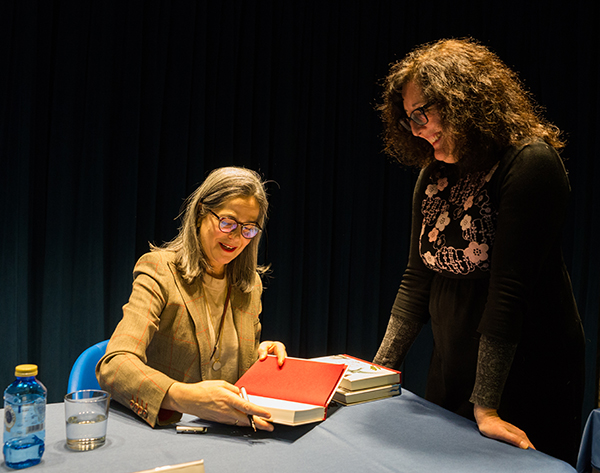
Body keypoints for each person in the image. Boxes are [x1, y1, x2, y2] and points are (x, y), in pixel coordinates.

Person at [373, 38, 585, 465]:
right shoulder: (434, 175)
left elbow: (508, 291)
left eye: (422, 114)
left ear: (461, 100)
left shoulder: (529, 163)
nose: (416, 130)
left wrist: (486, 406)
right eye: (408, 119)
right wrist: (375, 372)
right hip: (453, 365)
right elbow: (416, 280)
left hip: (523, 371)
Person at [97, 166, 287, 431]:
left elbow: (224, 366)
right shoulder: (159, 270)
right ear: (200, 213)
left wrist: (259, 358)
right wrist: (183, 396)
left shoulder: (250, 285)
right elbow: (114, 364)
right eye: (228, 222)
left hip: (229, 432)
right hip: (169, 430)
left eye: (248, 229)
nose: (236, 237)